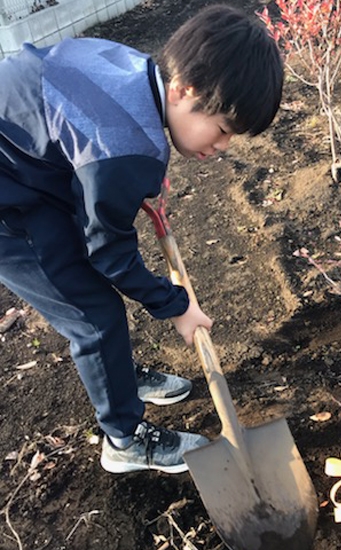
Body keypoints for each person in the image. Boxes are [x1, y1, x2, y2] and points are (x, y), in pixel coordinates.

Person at [0, 5, 283, 474]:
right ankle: (124, 441)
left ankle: (118, 375)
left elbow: (88, 148)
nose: (223, 147)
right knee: (93, 315)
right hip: (10, 202)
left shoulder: (132, 68)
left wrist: (130, 185)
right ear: (184, 89)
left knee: (90, 291)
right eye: (223, 129)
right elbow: (107, 250)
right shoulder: (126, 148)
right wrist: (175, 305)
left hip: (28, 162)